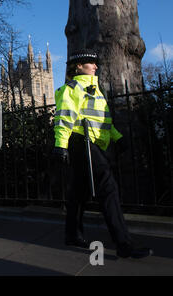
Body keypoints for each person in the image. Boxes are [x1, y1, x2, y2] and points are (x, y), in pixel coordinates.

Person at [52, 49, 153, 258]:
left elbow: (103, 121)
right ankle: (123, 244)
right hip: (82, 141)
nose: (96, 66)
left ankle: (72, 234)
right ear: (79, 66)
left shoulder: (95, 90)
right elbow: (64, 119)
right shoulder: (73, 88)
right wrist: (61, 145)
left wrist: (117, 137)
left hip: (96, 143)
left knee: (79, 192)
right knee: (108, 189)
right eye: (91, 63)